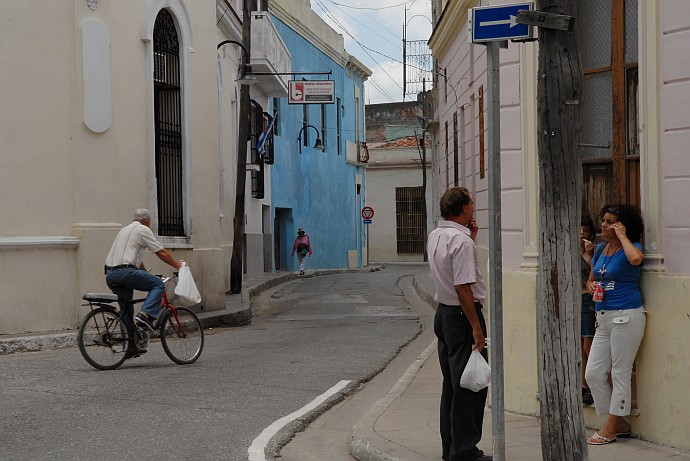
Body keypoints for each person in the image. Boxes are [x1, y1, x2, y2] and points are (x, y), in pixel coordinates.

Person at [427, 187, 491, 461]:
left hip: (444, 313)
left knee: (452, 384)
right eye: (472, 203)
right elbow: (464, 286)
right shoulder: (461, 242)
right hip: (462, 314)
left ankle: (451, 448)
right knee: (470, 385)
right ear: (462, 209)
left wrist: (471, 237)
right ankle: (464, 450)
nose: (474, 207)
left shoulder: (438, 234)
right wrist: (476, 327)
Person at [585, 204, 645, 445]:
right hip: (603, 317)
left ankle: (610, 427)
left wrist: (622, 236)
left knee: (620, 373)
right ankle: (619, 422)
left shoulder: (633, 247)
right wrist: (590, 285)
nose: (603, 224)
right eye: (604, 220)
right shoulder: (601, 249)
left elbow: (636, 259)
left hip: (626, 315)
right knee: (593, 373)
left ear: (622, 226)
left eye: (609, 221)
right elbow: (593, 277)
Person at [105, 209, 183, 341]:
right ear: (148, 220)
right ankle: (146, 316)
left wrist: (145, 273)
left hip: (111, 274)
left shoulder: (123, 230)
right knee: (158, 285)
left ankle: (130, 346)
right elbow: (161, 252)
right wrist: (177, 265)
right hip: (126, 272)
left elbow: (136, 260)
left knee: (127, 311)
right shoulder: (143, 230)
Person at [580, 215, 597, 406]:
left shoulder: (592, 251)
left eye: (585, 230)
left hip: (587, 299)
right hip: (573, 300)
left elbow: (595, 273)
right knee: (579, 347)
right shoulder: (568, 249)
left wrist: (590, 255)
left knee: (588, 345)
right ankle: (583, 384)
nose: (581, 234)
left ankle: (592, 385)